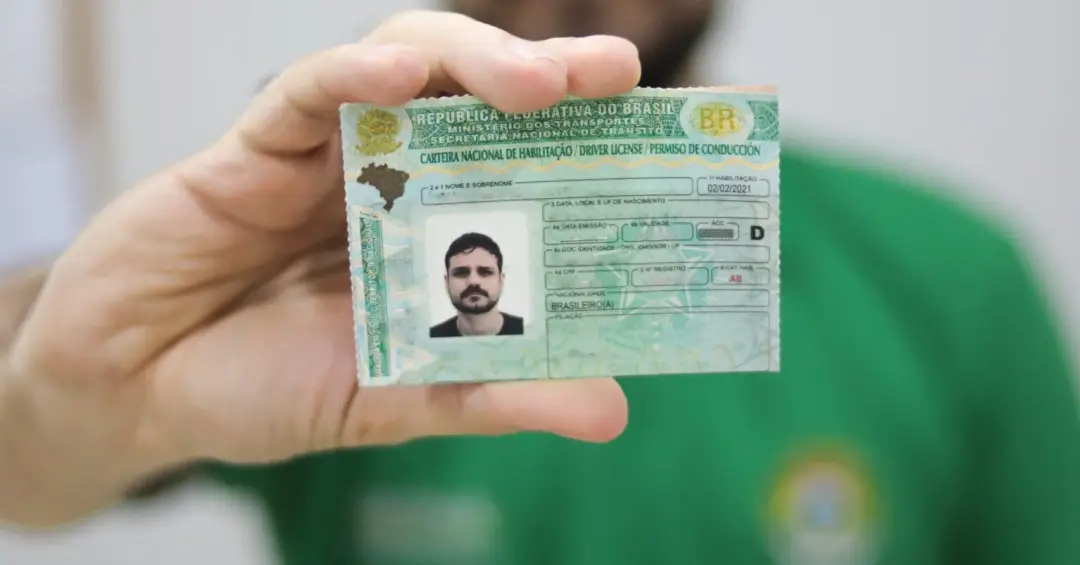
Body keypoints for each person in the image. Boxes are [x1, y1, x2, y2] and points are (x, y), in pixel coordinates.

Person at [1, 3, 1078, 565]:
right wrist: (80, 380)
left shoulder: (954, 278)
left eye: (482, 265)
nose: (471, 277)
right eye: (463, 265)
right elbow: (26, 481)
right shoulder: (309, 259)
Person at [430, 232, 524, 338]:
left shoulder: (528, 333)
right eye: (461, 273)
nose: (473, 281)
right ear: (446, 282)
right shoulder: (430, 339)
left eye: (485, 272)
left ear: (501, 280)